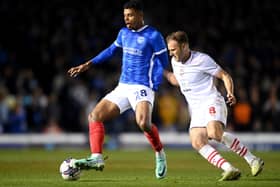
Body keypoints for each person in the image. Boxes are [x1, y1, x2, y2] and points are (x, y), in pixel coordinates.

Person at [67, 0, 168, 179]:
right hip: (123, 86)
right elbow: (111, 50)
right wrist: (87, 64)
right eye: (124, 16)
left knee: (143, 123)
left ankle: (159, 154)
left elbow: (163, 63)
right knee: (95, 116)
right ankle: (96, 158)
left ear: (140, 15)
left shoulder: (154, 36)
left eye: (130, 15)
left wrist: (155, 84)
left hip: (143, 86)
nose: (126, 19)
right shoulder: (123, 33)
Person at [163, 31, 264, 181]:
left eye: (173, 49)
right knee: (197, 141)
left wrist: (230, 92)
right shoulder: (175, 62)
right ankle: (229, 169)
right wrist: (162, 72)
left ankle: (253, 160)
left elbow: (224, 75)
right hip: (196, 109)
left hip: (211, 101)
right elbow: (177, 80)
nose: (171, 54)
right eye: (169, 50)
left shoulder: (202, 60)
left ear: (184, 46)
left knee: (214, 133)